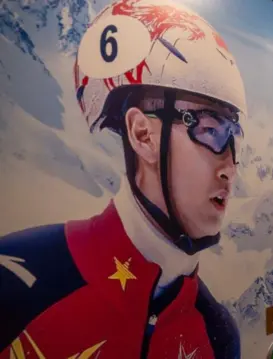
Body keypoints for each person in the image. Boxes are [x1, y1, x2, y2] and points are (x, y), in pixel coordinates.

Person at [0, 1, 245, 357]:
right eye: (210, 130)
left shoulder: (216, 330)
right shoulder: (16, 275)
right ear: (142, 135)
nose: (230, 166)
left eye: (233, 137)